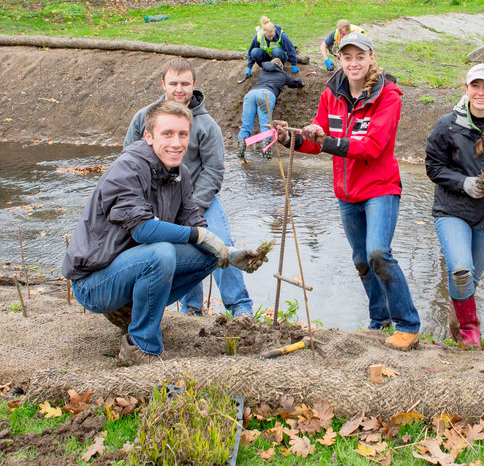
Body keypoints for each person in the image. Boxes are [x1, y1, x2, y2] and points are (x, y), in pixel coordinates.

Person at [62, 100, 266, 365]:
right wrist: (199, 237)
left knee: (207, 254)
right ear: (148, 136)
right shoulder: (128, 168)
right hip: (95, 282)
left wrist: (227, 253)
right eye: (167, 134)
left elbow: (194, 222)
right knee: (161, 252)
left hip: (132, 268)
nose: (176, 142)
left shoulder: (180, 173)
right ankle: (142, 347)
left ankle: (137, 315)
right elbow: (143, 230)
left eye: (182, 134)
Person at [272, 32, 421, 351]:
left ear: (371, 59)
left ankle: (408, 324)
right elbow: (315, 139)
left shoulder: (389, 97)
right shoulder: (331, 93)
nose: (353, 63)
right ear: (339, 59)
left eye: (360, 57)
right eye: (347, 57)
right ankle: (379, 321)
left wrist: (324, 140)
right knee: (361, 260)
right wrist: (291, 138)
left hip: (381, 189)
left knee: (378, 252)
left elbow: (373, 147)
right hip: (347, 192)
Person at [124, 59, 254, 318]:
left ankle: (240, 308)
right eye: (173, 83)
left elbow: (214, 171)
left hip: (199, 201)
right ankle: (191, 309)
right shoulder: (144, 118)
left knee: (220, 245)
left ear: (194, 85)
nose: (179, 89)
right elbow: (128, 158)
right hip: (157, 203)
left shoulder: (207, 126)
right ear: (163, 85)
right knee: (177, 252)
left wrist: (194, 206)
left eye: (185, 83)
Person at [425, 63, 484, 348]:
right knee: (461, 270)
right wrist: (464, 183)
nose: (480, 92)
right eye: (475, 86)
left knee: (472, 279)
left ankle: (457, 319)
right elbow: (433, 167)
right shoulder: (447, 125)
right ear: (466, 89)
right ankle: (471, 332)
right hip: (452, 210)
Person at [238, 58, 304, 161]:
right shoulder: (282, 74)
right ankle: (266, 157)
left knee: (246, 125)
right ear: (281, 67)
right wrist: (301, 83)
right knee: (265, 126)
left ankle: (240, 155)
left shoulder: (263, 72)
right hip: (266, 94)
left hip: (251, 94)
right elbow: (293, 82)